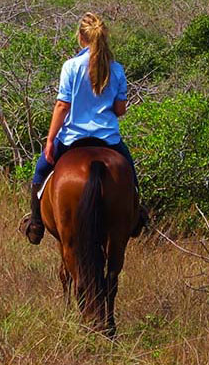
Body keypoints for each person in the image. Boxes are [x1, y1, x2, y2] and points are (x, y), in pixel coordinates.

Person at [20, 12, 148, 244]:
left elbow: (62, 106)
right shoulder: (116, 69)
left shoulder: (71, 66)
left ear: (81, 37)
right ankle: (137, 215)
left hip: (72, 138)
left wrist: (50, 140)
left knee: (40, 171)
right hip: (108, 139)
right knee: (130, 172)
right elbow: (120, 109)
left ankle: (36, 223)